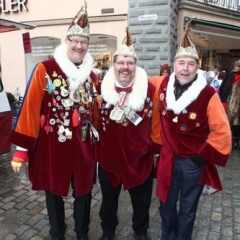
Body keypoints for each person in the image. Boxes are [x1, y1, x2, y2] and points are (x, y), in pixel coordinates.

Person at [10, 1, 98, 239]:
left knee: (84, 191)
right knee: (53, 191)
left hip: (83, 146)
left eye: (84, 42)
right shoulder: (45, 69)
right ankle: (57, 233)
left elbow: (96, 112)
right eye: (75, 41)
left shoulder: (91, 76)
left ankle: (82, 233)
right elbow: (29, 108)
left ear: (87, 45)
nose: (79, 46)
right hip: (52, 145)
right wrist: (21, 150)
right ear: (66, 42)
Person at [156, 28, 231, 240]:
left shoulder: (207, 93)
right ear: (174, 64)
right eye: (181, 63)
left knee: (187, 210)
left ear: (197, 67)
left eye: (190, 64)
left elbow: (222, 130)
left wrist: (201, 157)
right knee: (166, 205)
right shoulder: (164, 85)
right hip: (168, 159)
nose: (185, 69)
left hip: (192, 163)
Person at [96, 27, 161, 240]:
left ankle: (140, 232)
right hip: (109, 159)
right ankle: (108, 231)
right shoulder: (101, 90)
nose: (125, 67)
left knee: (141, 203)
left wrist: (151, 150)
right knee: (108, 201)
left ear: (135, 65)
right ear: (113, 64)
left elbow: (157, 122)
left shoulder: (149, 89)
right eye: (121, 62)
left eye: (130, 62)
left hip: (140, 158)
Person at [219, 59, 240, 149]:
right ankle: (227, 139)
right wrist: (221, 97)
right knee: (226, 120)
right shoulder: (231, 74)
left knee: (237, 122)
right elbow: (223, 86)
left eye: (237, 66)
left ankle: (235, 139)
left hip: (238, 102)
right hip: (227, 100)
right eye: (235, 65)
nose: (235, 67)